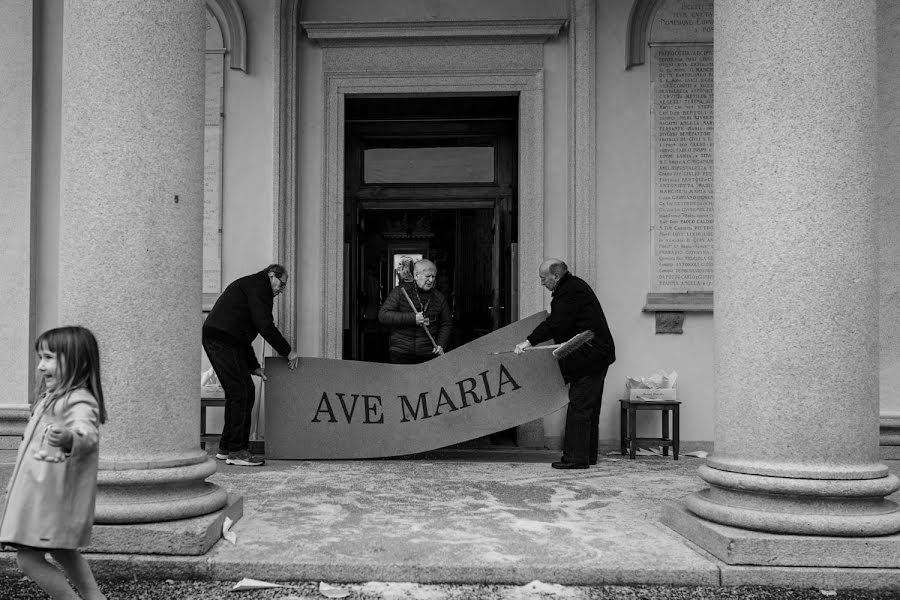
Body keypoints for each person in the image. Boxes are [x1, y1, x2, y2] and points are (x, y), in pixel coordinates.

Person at [0, 326, 108, 600]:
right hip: (44, 498)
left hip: (49, 501)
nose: (40, 366)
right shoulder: (51, 399)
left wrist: (71, 437)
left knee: (28, 559)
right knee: (63, 551)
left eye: (48, 358)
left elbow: (87, 434)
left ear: (76, 362)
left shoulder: (77, 400)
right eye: (40, 358)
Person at [515, 259, 615, 469]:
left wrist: (528, 341)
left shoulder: (570, 291)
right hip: (596, 355)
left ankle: (576, 459)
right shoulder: (573, 287)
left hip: (590, 357)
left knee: (580, 406)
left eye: (543, 279)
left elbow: (556, 323)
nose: (542, 283)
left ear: (556, 276)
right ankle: (587, 455)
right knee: (589, 408)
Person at [202, 264, 300, 467]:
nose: (281, 290)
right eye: (282, 284)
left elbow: (244, 334)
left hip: (225, 339)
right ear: (272, 275)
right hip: (222, 340)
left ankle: (227, 447)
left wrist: (254, 366)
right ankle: (237, 452)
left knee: (239, 391)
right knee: (241, 392)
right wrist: (288, 351)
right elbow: (264, 325)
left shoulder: (253, 286)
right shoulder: (260, 286)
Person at [378, 258, 452, 364]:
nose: (431, 280)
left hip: (428, 354)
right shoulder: (400, 292)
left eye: (433, 276)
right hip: (401, 353)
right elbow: (383, 316)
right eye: (428, 276)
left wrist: (441, 344)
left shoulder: (439, 297)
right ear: (416, 275)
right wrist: (413, 318)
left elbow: (446, 324)